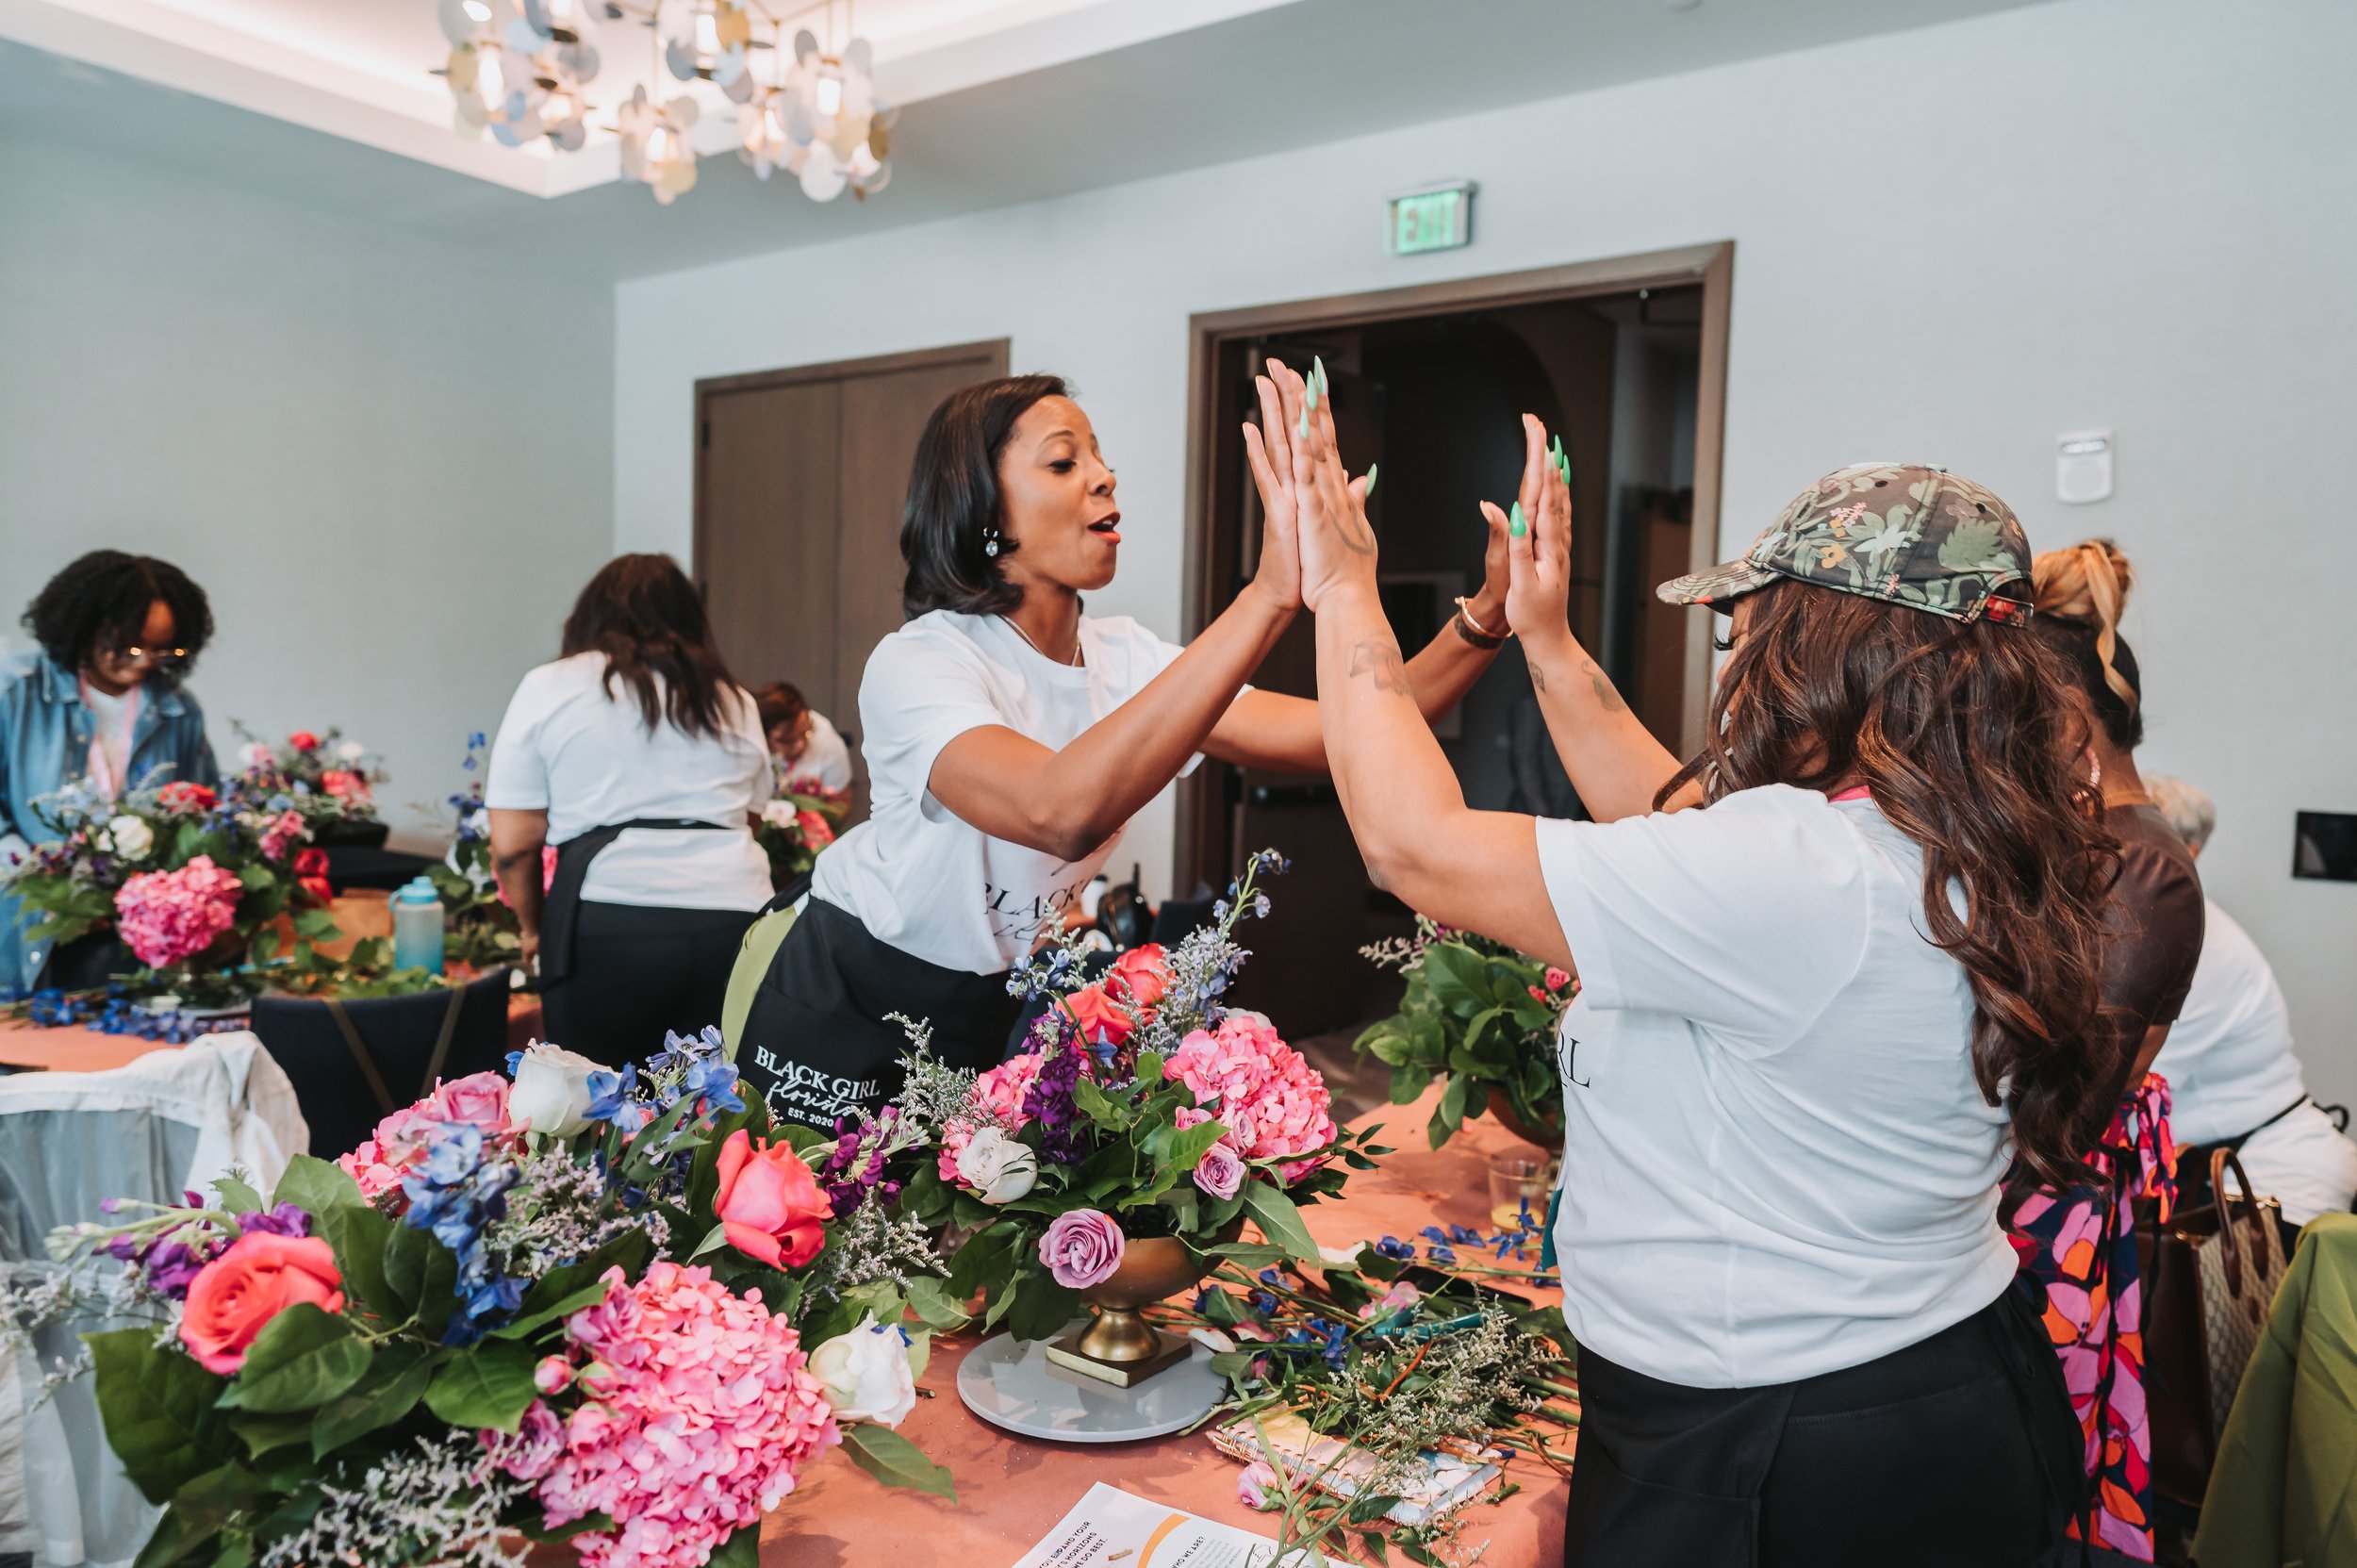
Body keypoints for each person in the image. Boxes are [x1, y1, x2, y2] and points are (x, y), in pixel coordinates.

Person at [1279, 370, 2101, 1566]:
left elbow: (1414, 846)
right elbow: (1665, 819)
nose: (1739, 658)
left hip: (1783, 1452)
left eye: (1751, 625)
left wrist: (1343, 582)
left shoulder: (1798, 870)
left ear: (1829, 643)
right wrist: (1544, 644)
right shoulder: (1958, 839)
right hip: (1946, 1388)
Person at [731, 369, 1517, 1127]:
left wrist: (1490, 616)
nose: (1105, 477)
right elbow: (1056, 810)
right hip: (848, 991)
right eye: (1065, 461)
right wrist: (1269, 595)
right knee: (815, 1245)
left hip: (989, 1003)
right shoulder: (921, 661)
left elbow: (1347, 729)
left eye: (1100, 456)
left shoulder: (1127, 658)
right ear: (983, 509)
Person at [2004, 538, 2207, 1565]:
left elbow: (2054, 1112)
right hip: (2009, 1209)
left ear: (2068, 720)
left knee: (2035, 1494)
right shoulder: (2085, 846)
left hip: (2042, 1226)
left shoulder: (2148, 873)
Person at [486, 554, 772, 1065]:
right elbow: (747, 821)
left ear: (590, 615)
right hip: (736, 919)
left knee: (594, 1103)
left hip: (607, 922)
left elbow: (512, 846)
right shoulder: (732, 699)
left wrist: (533, 929)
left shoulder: (550, 685)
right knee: (713, 1104)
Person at [0, 551, 219, 998]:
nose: (143, 663)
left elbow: (201, 814)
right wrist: (41, 873)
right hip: (25, 926)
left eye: (163, 649)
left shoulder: (179, 711)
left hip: (130, 941)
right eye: (131, 646)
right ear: (86, 626)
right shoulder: (14, 692)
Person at [2147, 774, 2357, 1230]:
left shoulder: (2204, 945)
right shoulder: (2166, 926)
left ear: (2189, 851)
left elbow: (2124, 1081)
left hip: (2271, 1187)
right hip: (2220, 1172)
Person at [752, 681, 854, 794]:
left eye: (805, 732)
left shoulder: (824, 735)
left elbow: (843, 798)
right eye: (788, 740)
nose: (800, 744)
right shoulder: (750, 744)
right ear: (764, 737)